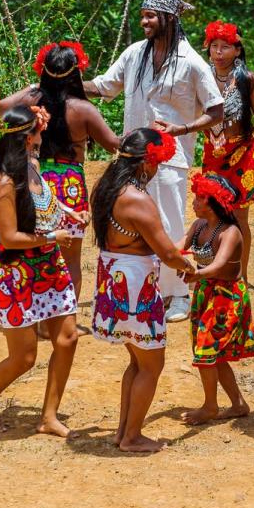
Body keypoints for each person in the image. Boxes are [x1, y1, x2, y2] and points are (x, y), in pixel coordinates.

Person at [85, 0, 224, 323]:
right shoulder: (135, 53)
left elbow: (217, 109)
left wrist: (182, 128)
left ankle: (179, 294)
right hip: (132, 156)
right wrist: (61, 81)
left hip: (170, 158)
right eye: (142, 15)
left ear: (169, 19)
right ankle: (146, 289)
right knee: (133, 223)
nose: (144, 21)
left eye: (150, 15)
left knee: (169, 222)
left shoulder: (191, 62)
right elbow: (105, 86)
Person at [88, 128, 198, 452]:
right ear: (147, 163)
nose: (157, 171)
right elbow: (166, 253)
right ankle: (132, 437)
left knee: (137, 362)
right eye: (157, 164)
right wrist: (193, 268)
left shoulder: (106, 188)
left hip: (114, 275)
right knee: (152, 364)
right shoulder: (139, 199)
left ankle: (123, 431)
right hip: (135, 283)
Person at [0, 105, 80, 437]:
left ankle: (48, 417)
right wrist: (53, 235)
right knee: (23, 357)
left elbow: (41, 200)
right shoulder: (4, 183)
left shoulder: (33, 166)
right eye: (37, 130)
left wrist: (67, 211)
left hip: (49, 266)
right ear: (25, 137)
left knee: (67, 338)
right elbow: (8, 237)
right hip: (17, 273)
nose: (42, 134)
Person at [0, 41, 120, 317]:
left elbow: (3, 107)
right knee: (71, 259)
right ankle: (64, 316)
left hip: (37, 180)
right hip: (70, 186)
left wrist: (33, 88)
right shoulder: (84, 109)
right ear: (77, 73)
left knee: (40, 248)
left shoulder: (32, 100)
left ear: (43, 70)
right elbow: (114, 144)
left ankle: (40, 317)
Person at [178, 172, 254, 426]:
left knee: (205, 351)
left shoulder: (231, 232)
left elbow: (218, 265)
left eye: (200, 198)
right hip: (206, 293)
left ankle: (210, 407)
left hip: (226, 298)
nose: (194, 201)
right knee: (214, 355)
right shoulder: (198, 226)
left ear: (213, 202)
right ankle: (239, 404)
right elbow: (178, 246)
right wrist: (150, 248)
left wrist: (195, 274)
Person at [201, 20, 254, 289]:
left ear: (237, 51)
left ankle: (240, 274)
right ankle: (211, 269)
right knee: (210, 212)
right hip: (213, 154)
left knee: (240, 216)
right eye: (214, 47)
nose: (218, 52)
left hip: (243, 154)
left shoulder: (248, 79)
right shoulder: (202, 76)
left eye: (225, 47)